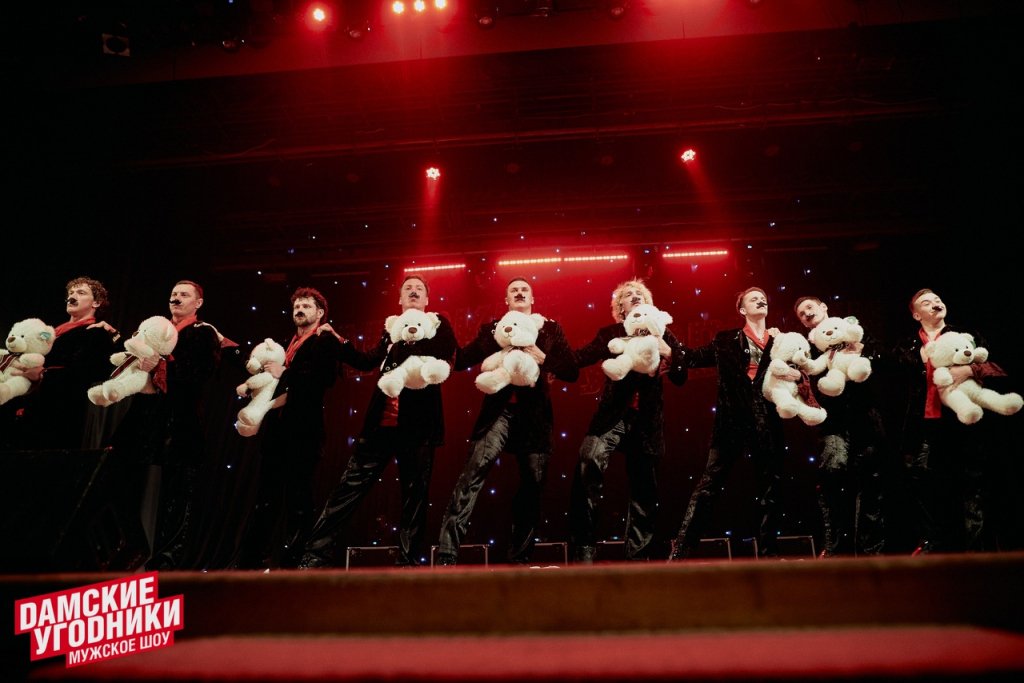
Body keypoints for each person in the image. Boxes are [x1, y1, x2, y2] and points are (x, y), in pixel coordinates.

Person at [298, 275, 457, 568]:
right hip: (380, 424)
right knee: (348, 490)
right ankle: (314, 556)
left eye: (419, 289)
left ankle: (408, 564)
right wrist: (339, 341)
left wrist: (404, 343)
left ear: (427, 299)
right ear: (399, 299)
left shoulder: (436, 323)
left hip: (419, 425)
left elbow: (446, 353)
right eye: (407, 288)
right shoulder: (390, 329)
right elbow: (367, 360)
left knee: (414, 497)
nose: (413, 291)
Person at [436, 277, 578, 566]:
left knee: (533, 485)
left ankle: (520, 558)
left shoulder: (549, 328)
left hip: (535, 417)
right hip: (497, 413)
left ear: (533, 298)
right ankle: (447, 555)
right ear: (507, 300)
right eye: (514, 290)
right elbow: (462, 359)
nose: (520, 293)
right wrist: (443, 328)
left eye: (525, 290)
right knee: (472, 474)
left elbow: (572, 371)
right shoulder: (494, 328)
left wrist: (543, 357)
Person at [568, 279, 688, 563]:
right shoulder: (611, 333)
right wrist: (551, 361)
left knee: (645, 488)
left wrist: (669, 352)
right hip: (613, 416)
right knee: (588, 461)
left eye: (639, 294)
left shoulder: (663, 333)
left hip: (647, 421)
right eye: (628, 295)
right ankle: (584, 550)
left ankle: (637, 555)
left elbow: (681, 376)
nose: (634, 296)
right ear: (620, 308)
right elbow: (582, 356)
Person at [668, 286, 789, 560]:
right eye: (753, 298)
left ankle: (769, 555)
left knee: (771, 488)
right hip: (731, 421)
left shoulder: (781, 341)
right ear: (742, 309)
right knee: (708, 486)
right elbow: (692, 357)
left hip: (768, 421)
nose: (760, 300)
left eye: (763, 297)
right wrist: (667, 343)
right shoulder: (725, 340)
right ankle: (682, 551)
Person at [892, 289, 1013, 554]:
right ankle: (934, 544)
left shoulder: (966, 335)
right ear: (916, 315)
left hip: (962, 420)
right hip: (924, 424)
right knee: (924, 482)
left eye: (937, 299)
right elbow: (896, 377)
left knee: (972, 483)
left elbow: (998, 368)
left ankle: (976, 550)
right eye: (927, 303)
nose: (935, 304)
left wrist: (970, 369)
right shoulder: (907, 344)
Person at [236, 287, 341, 569]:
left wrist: (287, 373)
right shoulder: (285, 343)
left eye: (306, 306)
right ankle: (251, 562)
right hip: (276, 430)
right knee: (265, 497)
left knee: (298, 499)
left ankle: (295, 563)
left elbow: (326, 378)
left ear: (320, 313)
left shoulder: (324, 341)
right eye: (297, 306)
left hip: (304, 430)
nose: (300, 309)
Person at [793, 295, 886, 557]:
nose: (807, 313)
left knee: (870, 482)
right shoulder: (807, 347)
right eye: (801, 314)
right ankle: (835, 547)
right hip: (832, 422)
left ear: (823, 307)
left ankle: (870, 552)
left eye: (810, 307)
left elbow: (881, 357)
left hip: (865, 417)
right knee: (832, 473)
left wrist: (862, 352)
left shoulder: (852, 331)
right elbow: (805, 377)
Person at [145, 280, 223, 570]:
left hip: (183, 422)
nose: (176, 298)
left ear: (198, 303)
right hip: (151, 419)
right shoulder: (155, 329)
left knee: (177, 496)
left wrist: (161, 365)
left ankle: (166, 565)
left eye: (184, 295)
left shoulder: (202, 333)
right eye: (173, 294)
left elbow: (201, 373)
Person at [15, 277, 119, 450]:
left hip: (61, 412)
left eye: (81, 292)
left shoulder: (95, 333)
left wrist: (43, 374)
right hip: (34, 406)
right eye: (71, 292)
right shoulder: (53, 333)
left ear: (96, 303)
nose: (72, 296)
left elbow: (90, 372)